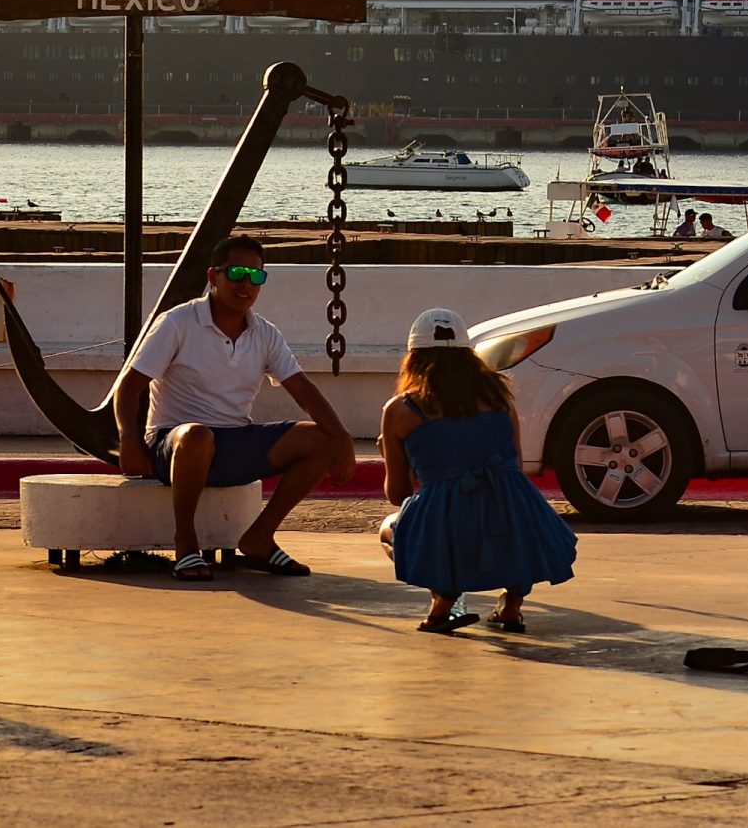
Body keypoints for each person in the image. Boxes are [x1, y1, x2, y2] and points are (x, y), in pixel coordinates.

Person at [115, 234, 355, 581]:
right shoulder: (177, 323)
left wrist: (343, 437)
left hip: (234, 441)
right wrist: (129, 440)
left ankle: (259, 537)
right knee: (197, 436)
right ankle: (186, 544)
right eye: (238, 273)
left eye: (256, 277)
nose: (246, 284)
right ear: (213, 277)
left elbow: (302, 389)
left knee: (321, 439)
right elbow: (130, 385)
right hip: (175, 443)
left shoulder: (265, 333)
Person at [377, 309, 577, 634]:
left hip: (451, 524)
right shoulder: (499, 397)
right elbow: (516, 466)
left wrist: (395, 453)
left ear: (413, 357)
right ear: (468, 356)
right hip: (510, 512)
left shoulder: (401, 410)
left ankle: (442, 599)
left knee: (390, 529)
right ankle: (511, 606)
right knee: (513, 515)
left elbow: (397, 494)